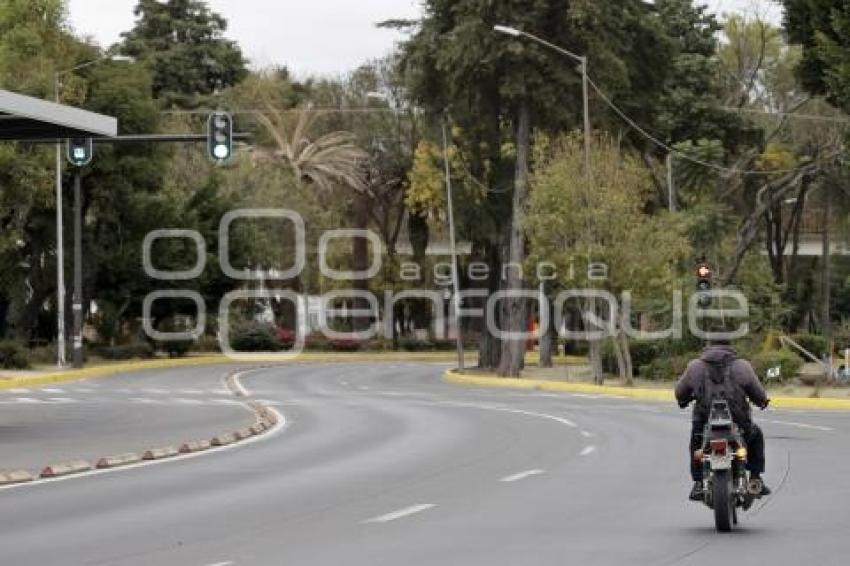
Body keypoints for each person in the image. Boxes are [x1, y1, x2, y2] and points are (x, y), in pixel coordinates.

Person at [675, 340, 771, 501]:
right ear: (729, 345)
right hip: (739, 422)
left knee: (696, 443)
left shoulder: (695, 367)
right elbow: (758, 394)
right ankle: (755, 479)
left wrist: (684, 399)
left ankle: (698, 483)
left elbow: (680, 393)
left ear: (708, 345)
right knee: (756, 435)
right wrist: (762, 401)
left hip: (704, 422)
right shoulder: (742, 366)